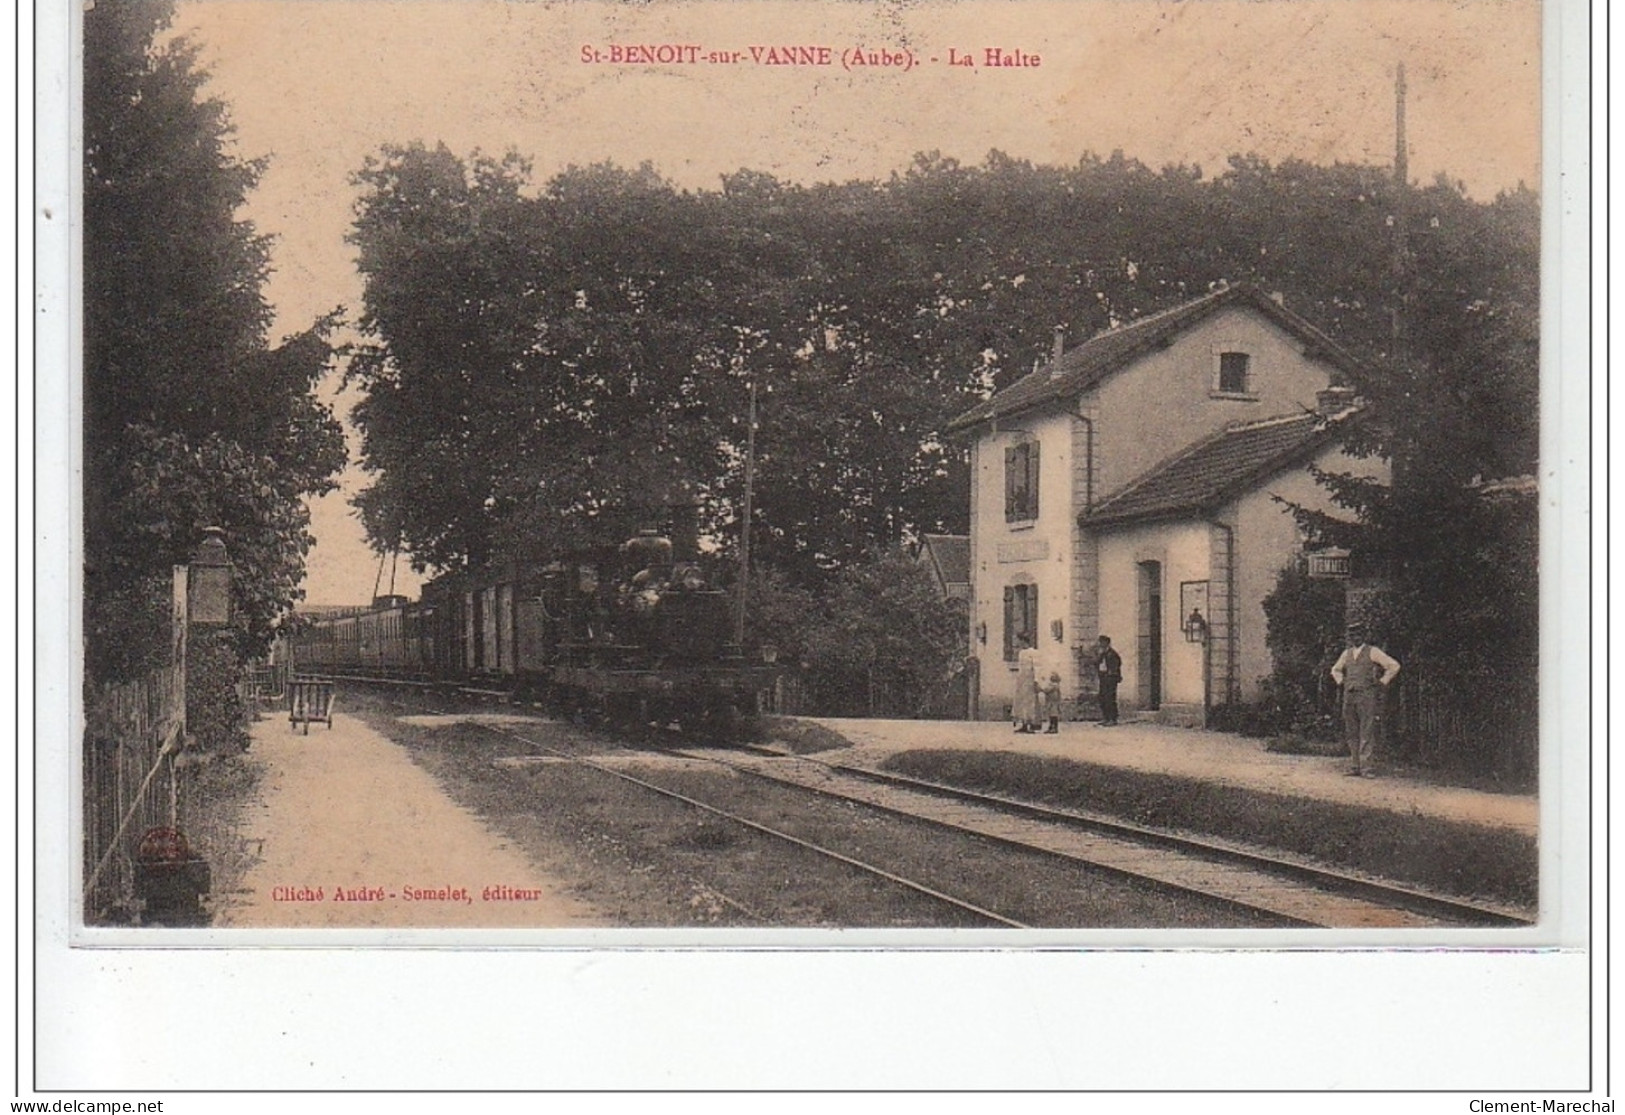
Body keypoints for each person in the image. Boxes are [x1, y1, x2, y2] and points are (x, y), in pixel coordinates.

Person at [1329, 623, 1401, 778]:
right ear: (1350, 637)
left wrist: (1383, 681)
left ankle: (1367, 768)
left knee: (1366, 730)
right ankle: (1355, 766)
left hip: (1367, 695)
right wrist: (1341, 681)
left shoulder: (1372, 651)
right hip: (1349, 695)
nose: (1355, 637)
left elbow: (1394, 666)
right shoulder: (1346, 653)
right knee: (1351, 730)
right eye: (1352, 635)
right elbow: (1335, 669)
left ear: (1364, 636)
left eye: (1358, 634)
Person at [1011, 634, 1041, 732]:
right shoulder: (1021, 653)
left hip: (1030, 679)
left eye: (1020, 641)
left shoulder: (1033, 652)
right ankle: (1023, 724)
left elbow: (1037, 667)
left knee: (1030, 702)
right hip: (1022, 680)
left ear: (1024, 641)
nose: (1018, 643)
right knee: (1021, 701)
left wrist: (1036, 680)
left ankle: (1031, 724)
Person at [1095, 635, 1122, 726]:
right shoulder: (1102, 653)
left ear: (1107, 643)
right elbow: (1096, 663)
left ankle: (1112, 718)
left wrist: (1112, 674)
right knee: (1102, 697)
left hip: (1110, 678)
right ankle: (1106, 717)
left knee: (1110, 698)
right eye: (1100, 642)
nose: (1100, 644)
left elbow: (1116, 664)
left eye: (1102, 642)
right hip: (1103, 678)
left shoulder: (1112, 653)